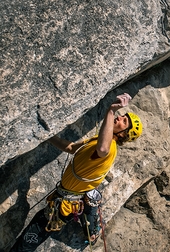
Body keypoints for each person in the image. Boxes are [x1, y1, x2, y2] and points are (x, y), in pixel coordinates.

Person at [10, 93, 143, 251]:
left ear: (123, 134)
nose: (119, 118)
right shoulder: (96, 140)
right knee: (28, 240)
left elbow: (102, 148)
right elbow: (71, 148)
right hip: (61, 201)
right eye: (122, 116)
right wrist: (48, 137)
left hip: (63, 206)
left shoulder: (110, 149)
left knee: (26, 243)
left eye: (124, 121)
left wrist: (110, 111)